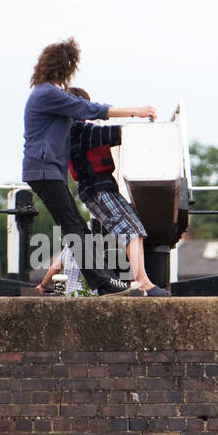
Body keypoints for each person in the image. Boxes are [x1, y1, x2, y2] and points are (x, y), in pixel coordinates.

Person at [22, 37, 156, 294]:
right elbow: (88, 108)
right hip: (43, 170)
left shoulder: (46, 94)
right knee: (74, 227)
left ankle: (103, 282)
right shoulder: (47, 93)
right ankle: (105, 283)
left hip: (47, 171)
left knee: (75, 227)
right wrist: (135, 111)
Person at [66, 89, 168, 295]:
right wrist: (141, 126)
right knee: (129, 229)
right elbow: (112, 134)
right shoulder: (78, 131)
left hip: (104, 187)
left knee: (135, 228)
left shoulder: (80, 130)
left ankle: (143, 281)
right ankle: (143, 283)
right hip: (96, 189)